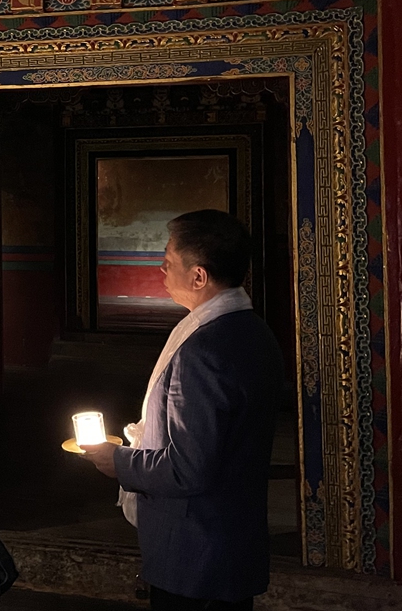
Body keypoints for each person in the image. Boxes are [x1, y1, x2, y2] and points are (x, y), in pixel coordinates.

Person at [80, 210, 283, 611]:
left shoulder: (203, 351)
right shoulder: (254, 331)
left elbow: (189, 468)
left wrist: (117, 461)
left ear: (199, 277)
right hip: (229, 543)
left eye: (169, 260)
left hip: (197, 554)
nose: (161, 267)